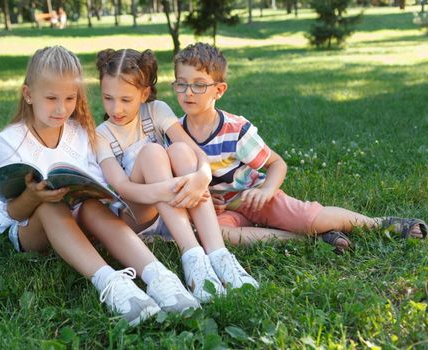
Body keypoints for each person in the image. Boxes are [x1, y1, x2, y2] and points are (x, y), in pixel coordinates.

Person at [0, 46, 199, 326]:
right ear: (29, 94)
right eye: (51, 98)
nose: (61, 108)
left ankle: (158, 277)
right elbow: (13, 213)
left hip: (80, 220)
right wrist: (32, 194)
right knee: (51, 205)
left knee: (89, 205)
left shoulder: (79, 132)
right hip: (34, 230)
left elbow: (98, 186)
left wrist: (92, 195)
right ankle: (112, 285)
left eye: (70, 98)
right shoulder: (11, 140)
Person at [171, 42, 427, 253]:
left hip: (257, 197)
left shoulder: (234, 129)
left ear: (219, 90)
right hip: (225, 211)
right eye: (181, 83)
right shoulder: (174, 133)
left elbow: (276, 163)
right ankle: (307, 240)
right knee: (217, 235)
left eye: (199, 84)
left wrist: (268, 191)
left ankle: (381, 224)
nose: (188, 92)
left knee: (310, 219)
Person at [94, 48, 259, 303]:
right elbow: (122, 187)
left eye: (126, 100)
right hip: (137, 213)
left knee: (180, 150)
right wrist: (171, 188)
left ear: (144, 94)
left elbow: (196, 154)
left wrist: (201, 178)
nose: (116, 108)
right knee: (152, 152)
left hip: (172, 206)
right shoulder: (102, 134)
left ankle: (218, 255)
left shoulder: (156, 110)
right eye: (108, 98)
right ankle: (192, 256)